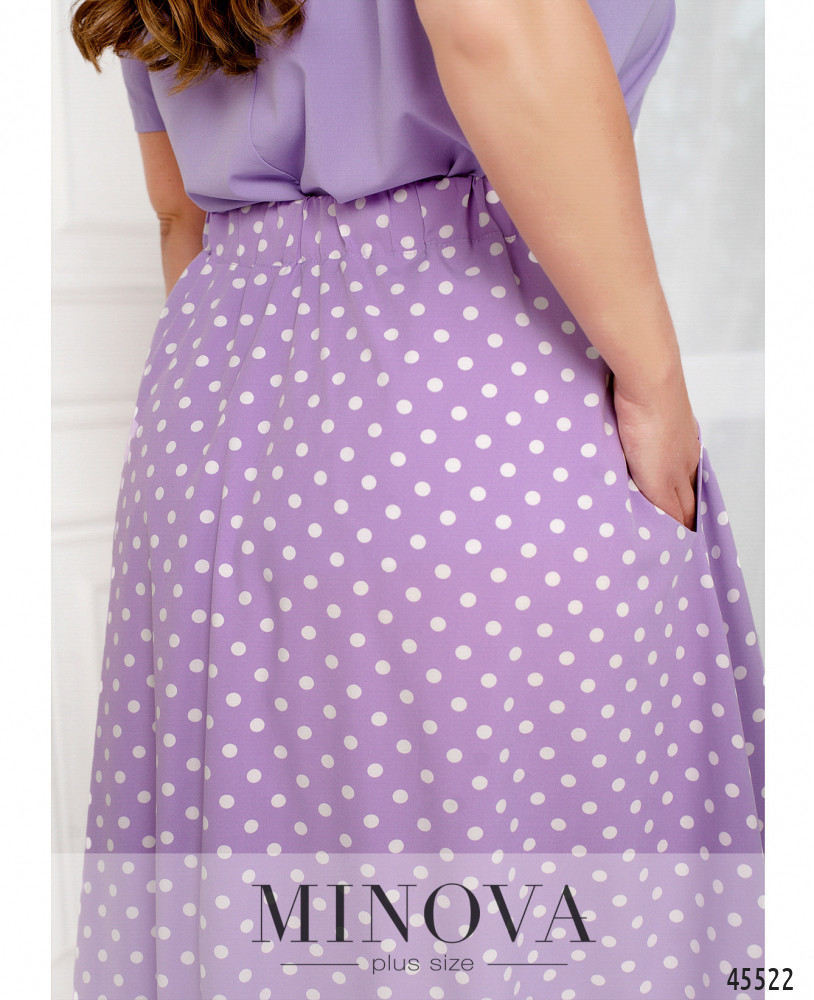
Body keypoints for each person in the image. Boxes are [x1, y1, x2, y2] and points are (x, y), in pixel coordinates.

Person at [68, 1, 765, 998]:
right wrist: (655, 382)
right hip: (456, 377)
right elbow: (497, 29)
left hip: (209, 396)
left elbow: (180, 215)